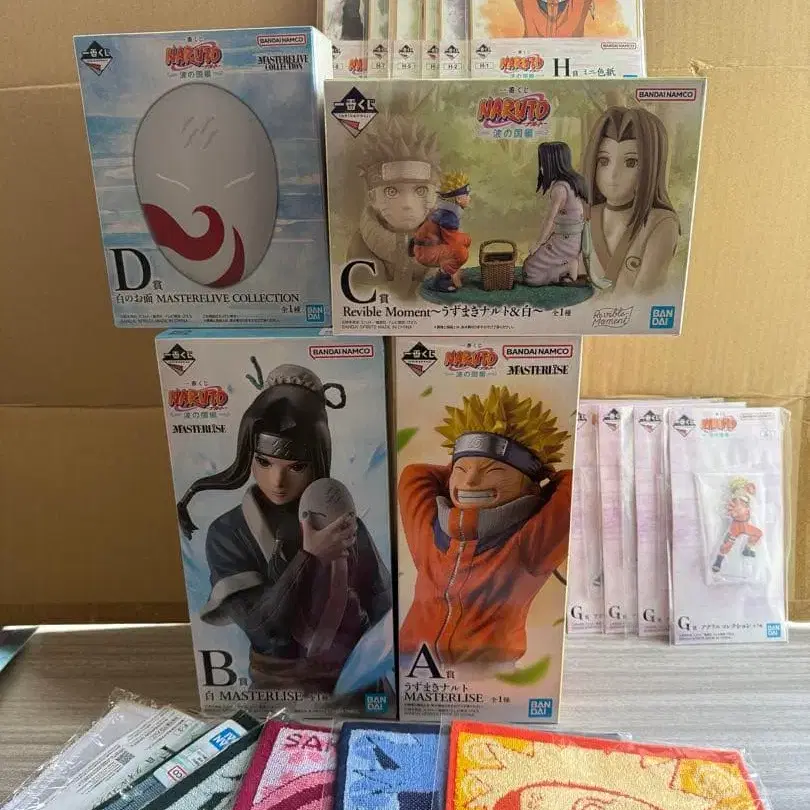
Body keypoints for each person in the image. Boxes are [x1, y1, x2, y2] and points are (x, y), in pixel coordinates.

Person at [176, 364, 392, 693]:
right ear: (248, 456)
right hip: (278, 688)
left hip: (357, 683)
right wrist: (310, 558)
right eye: (264, 462)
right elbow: (264, 632)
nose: (277, 480)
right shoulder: (229, 533)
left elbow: (384, 608)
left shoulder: (346, 526)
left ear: (317, 462)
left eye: (296, 466)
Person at [397, 385, 572, 671]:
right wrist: (470, 454)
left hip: (487, 676)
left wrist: (537, 482)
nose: (470, 482)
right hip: (412, 666)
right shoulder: (430, 531)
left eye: (494, 472)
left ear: (529, 486)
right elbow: (414, 475)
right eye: (462, 470)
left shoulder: (530, 544)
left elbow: (575, 485)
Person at [582, 106, 680, 294]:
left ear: (651, 166)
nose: (613, 175)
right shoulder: (585, 217)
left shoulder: (661, 223)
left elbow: (645, 295)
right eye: (604, 161)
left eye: (631, 162)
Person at [347, 116, 441, 298]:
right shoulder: (362, 244)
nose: (407, 204)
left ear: (435, 194)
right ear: (372, 198)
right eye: (391, 191)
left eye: (421, 190)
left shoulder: (444, 241)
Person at [523, 142, 589, 287]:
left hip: (567, 242)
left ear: (552, 163)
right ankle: (566, 270)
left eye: (543, 162)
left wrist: (538, 244)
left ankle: (569, 267)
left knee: (530, 273)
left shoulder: (560, 189)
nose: (541, 167)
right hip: (573, 239)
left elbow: (550, 220)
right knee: (531, 265)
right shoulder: (574, 182)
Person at [410, 170, 472, 292]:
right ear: (459, 199)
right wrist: (466, 239)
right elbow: (452, 240)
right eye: (467, 195)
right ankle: (441, 281)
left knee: (462, 244)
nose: (469, 198)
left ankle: (451, 272)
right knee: (461, 252)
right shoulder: (449, 215)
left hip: (425, 248)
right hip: (425, 251)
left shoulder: (445, 211)